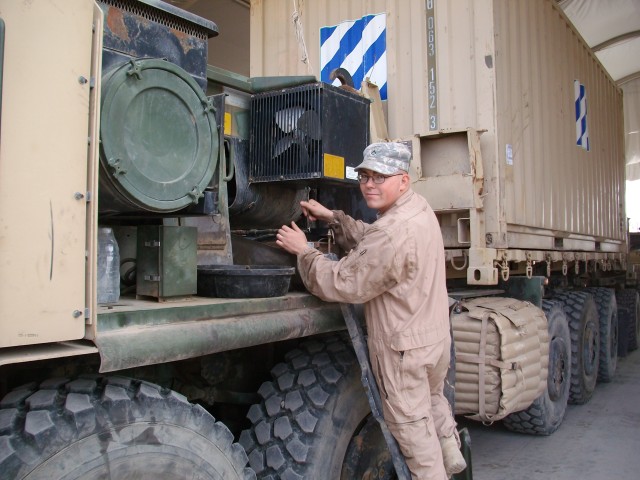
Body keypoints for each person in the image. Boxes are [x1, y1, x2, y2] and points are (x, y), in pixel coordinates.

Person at [276, 142, 467, 479]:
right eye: (365, 175)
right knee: (433, 402)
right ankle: (452, 451)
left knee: (415, 439)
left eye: (380, 177)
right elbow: (374, 240)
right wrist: (334, 218)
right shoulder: (417, 210)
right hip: (432, 340)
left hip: (405, 351)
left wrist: (304, 251)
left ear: (403, 180)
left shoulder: (392, 233)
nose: (369, 184)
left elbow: (342, 282)